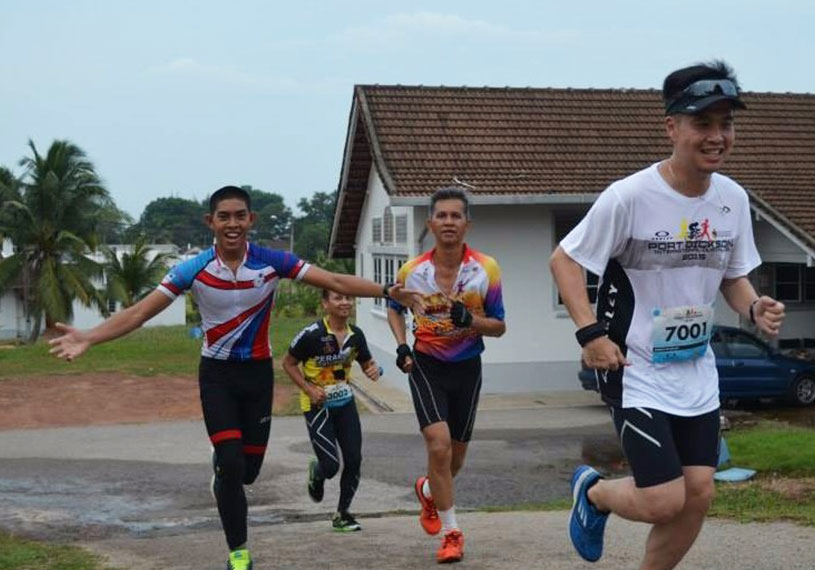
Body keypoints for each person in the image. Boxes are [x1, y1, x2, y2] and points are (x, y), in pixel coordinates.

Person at [49, 185, 420, 570]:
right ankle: (239, 554)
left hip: (257, 375)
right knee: (230, 463)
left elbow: (335, 282)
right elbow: (140, 312)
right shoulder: (193, 269)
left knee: (248, 472)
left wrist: (386, 290)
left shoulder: (271, 262)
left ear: (251, 220)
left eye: (240, 216)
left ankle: (226, 473)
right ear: (210, 222)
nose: (232, 223)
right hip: (218, 375)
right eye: (223, 216)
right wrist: (90, 337)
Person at [550, 61, 786, 569]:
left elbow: (731, 277)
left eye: (726, 124)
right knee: (663, 499)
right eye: (703, 123)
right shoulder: (630, 197)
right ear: (672, 127)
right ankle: (593, 492)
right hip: (634, 367)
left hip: (694, 368)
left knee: (698, 494)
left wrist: (754, 306)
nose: (717, 136)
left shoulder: (732, 199)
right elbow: (564, 260)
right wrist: (590, 334)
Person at [387, 186, 506, 564]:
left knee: (454, 461)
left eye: (456, 216)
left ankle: (428, 492)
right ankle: (452, 533)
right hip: (426, 365)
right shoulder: (412, 271)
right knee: (438, 447)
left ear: (467, 223)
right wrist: (402, 345)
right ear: (431, 223)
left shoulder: (486, 269)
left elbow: (499, 326)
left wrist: (471, 320)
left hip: (468, 368)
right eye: (442, 215)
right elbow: (393, 306)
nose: (449, 222)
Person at [282, 289, 380, 532]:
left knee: (354, 460)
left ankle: (342, 515)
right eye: (338, 298)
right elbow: (288, 363)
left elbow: (367, 362)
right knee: (331, 466)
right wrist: (308, 389)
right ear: (325, 304)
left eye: (348, 298)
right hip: (317, 406)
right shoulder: (311, 335)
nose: (345, 302)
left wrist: (373, 369)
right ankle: (318, 470)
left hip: (345, 404)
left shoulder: (356, 335)